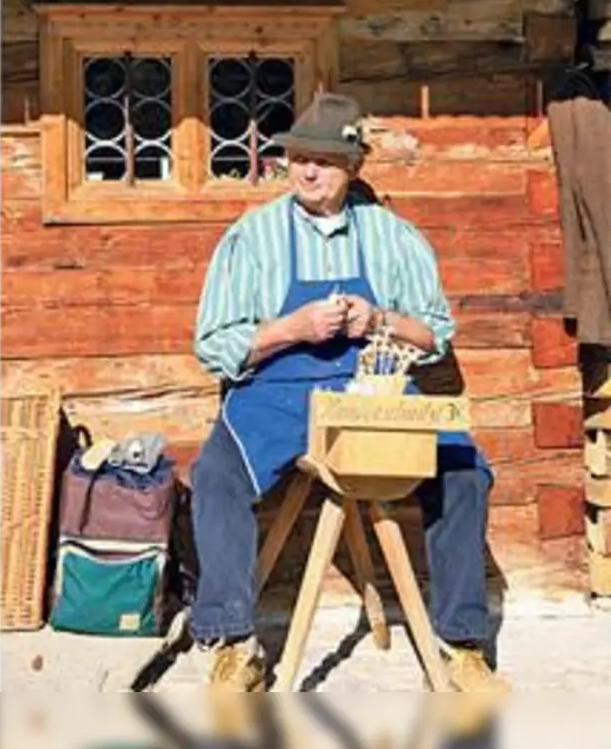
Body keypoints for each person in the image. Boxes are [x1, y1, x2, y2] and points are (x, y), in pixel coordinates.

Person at [188, 91, 505, 692]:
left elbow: (433, 332)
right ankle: (235, 642)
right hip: (277, 392)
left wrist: (377, 320)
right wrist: (292, 329)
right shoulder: (251, 238)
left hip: (375, 389)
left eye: (325, 160)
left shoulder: (392, 236)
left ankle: (462, 644)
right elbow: (214, 346)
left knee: (464, 469)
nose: (308, 170)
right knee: (216, 476)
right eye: (299, 157)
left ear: (353, 167)